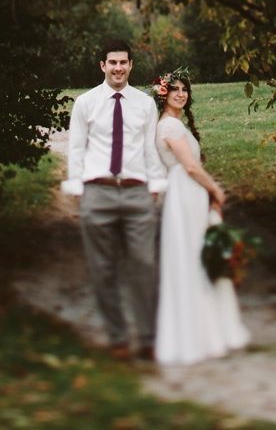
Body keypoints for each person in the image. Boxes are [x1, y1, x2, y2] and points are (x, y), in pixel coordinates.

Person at [61, 39, 168, 361]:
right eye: (112, 62)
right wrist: (80, 193)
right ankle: (118, 337)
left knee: (145, 266)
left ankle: (149, 338)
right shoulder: (86, 103)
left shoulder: (145, 104)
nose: (118, 68)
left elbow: (150, 148)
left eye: (123, 62)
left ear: (131, 65)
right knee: (102, 269)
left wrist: (154, 187)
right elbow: (76, 148)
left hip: (137, 194)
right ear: (102, 66)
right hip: (99, 193)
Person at [153, 70, 250, 366]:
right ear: (164, 94)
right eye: (175, 90)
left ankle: (208, 330)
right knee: (193, 259)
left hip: (189, 194)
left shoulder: (176, 124)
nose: (181, 94)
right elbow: (191, 168)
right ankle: (196, 335)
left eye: (184, 90)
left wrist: (207, 197)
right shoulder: (169, 126)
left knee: (201, 258)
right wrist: (216, 191)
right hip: (184, 195)